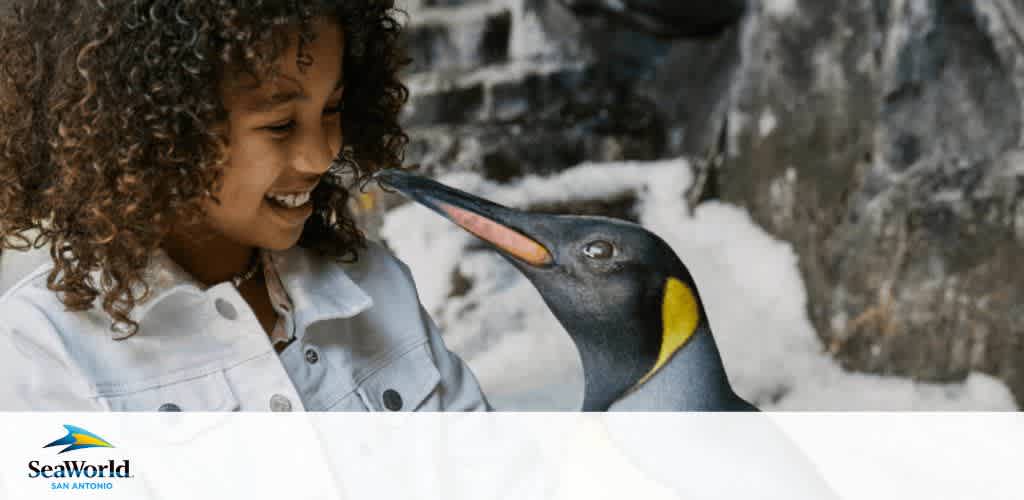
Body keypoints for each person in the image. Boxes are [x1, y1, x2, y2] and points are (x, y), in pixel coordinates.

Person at [0, 0, 490, 411]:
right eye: (280, 125)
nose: (321, 154)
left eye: (332, 109)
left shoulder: (374, 286)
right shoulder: (43, 350)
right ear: (160, 128)